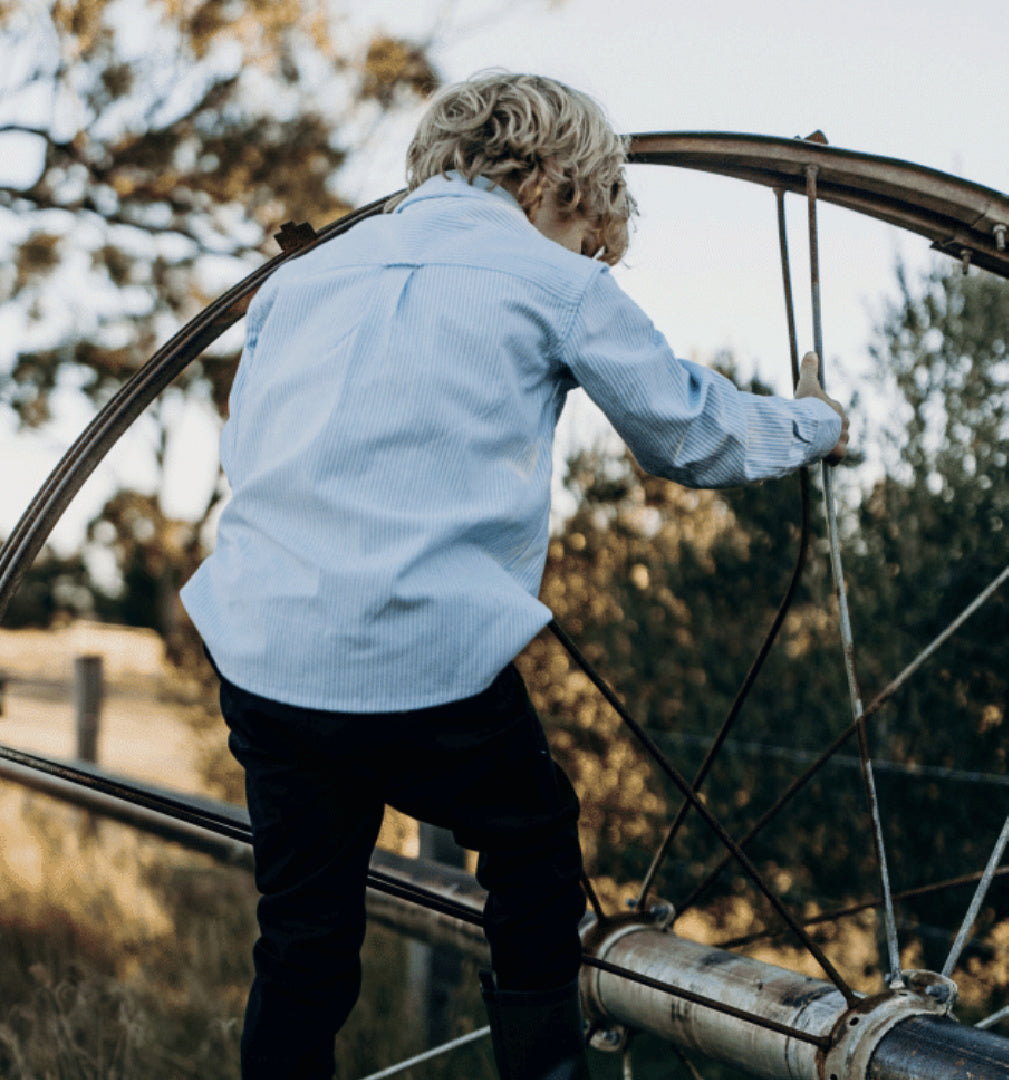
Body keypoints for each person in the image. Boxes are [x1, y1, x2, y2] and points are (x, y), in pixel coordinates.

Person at [180, 72, 848, 1080]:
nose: (594, 255)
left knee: (303, 940)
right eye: (594, 232)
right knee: (535, 851)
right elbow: (690, 433)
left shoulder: (305, 275)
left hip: (267, 656)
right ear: (560, 181)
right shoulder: (553, 281)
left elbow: (260, 445)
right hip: (419, 663)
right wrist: (816, 423)